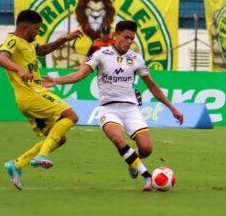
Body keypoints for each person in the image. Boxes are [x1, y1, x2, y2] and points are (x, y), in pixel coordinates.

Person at [42, 20, 184, 191]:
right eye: (126, 37)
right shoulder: (101, 54)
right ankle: (147, 177)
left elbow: (152, 86)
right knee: (118, 138)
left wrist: (173, 108)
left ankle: (134, 163)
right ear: (115, 35)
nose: (129, 41)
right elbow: (80, 75)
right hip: (108, 109)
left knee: (146, 149)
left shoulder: (136, 59)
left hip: (130, 109)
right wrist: (55, 80)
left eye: (132, 39)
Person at [0, 9, 83, 190]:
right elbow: (2, 58)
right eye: (36, 29)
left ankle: (17, 164)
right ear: (26, 27)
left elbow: (42, 50)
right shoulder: (13, 40)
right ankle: (42, 156)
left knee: (58, 138)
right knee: (71, 116)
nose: (37, 32)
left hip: (30, 97)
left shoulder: (28, 43)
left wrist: (65, 39)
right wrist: (19, 70)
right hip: (32, 93)